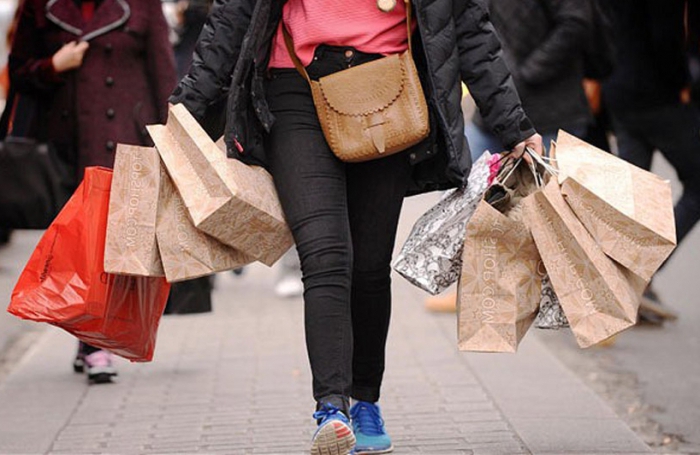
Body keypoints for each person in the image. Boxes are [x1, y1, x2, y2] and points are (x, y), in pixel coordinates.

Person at [170, 1, 542, 454]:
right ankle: (331, 407)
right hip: (296, 89)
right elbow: (232, 16)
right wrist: (185, 108)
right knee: (325, 254)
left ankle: (365, 399)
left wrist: (513, 126)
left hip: (387, 89)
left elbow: (467, 27)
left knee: (368, 266)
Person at [9, 0, 176, 383]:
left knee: (111, 249)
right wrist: (53, 66)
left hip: (126, 144)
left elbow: (163, 72)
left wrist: (170, 139)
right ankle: (91, 340)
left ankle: (96, 343)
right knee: (78, 249)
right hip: (65, 145)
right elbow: (18, 72)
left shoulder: (142, 5)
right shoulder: (40, 6)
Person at [427, 0, 594, 313]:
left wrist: (527, 73)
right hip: (495, 109)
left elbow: (576, 23)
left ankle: (586, 303)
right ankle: (473, 291)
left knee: (556, 217)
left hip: (550, 109)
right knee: (470, 196)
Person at [602, 0, 700, 322]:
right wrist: (682, 83)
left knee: (635, 199)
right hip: (656, 96)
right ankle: (635, 277)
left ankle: (621, 284)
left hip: (620, 91)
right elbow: (665, 37)